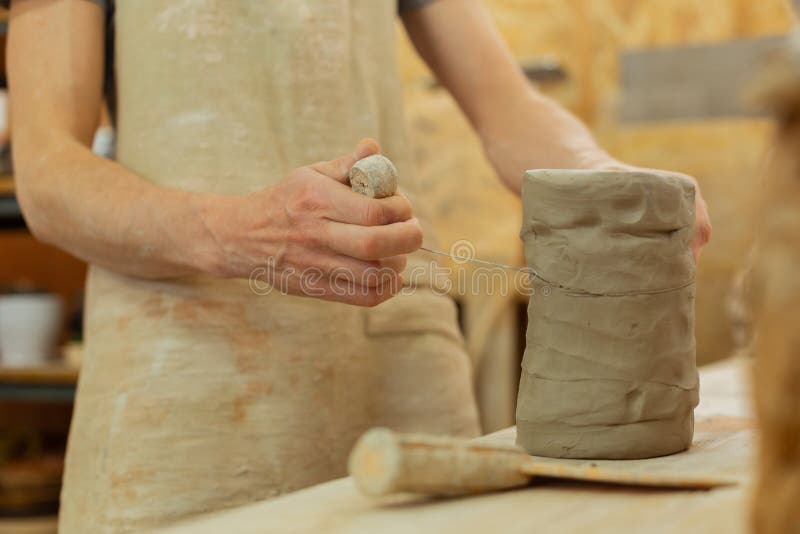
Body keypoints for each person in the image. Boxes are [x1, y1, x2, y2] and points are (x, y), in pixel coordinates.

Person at [7, 0, 711, 531]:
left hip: (394, 371)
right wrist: (237, 232)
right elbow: (46, 175)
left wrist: (606, 178)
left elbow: (509, 109)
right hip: (187, 381)